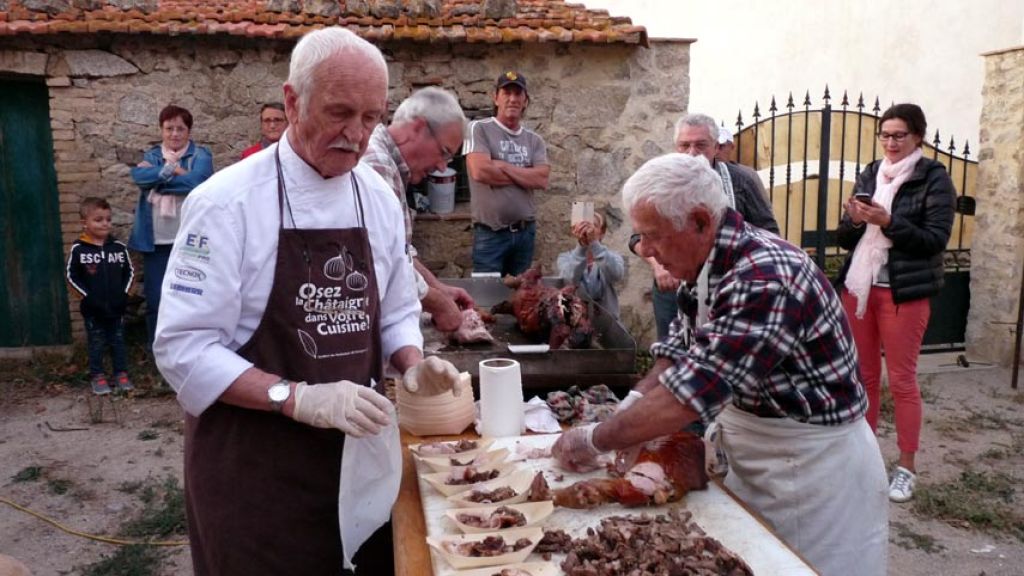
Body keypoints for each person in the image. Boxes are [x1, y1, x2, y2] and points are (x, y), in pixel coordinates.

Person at [153, 28, 462, 576]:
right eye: (339, 112)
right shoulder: (226, 204)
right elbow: (184, 348)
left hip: (355, 464)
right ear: (293, 101)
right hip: (253, 471)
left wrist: (414, 364)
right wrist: (296, 398)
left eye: (371, 118)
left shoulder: (378, 199)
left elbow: (393, 311)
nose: (357, 135)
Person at [554, 153, 888, 576]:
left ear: (698, 221)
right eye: (639, 238)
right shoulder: (704, 268)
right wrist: (634, 401)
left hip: (813, 471)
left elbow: (690, 396)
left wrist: (596, 438)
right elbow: (677, 355)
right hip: (756, 452)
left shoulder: (766, 278)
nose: (647, 252)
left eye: (651, 236)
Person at [836, 103, 955, 504]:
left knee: (901, 381)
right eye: (885, 135)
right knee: (864, 378)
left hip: (904, 292)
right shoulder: (871, 172)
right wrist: (854, 219)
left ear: (918, 136)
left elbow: (934, 239)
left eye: (899, 135)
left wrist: (888, 222)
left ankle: (906, 468)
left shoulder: (934, 178)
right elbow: (845, 238)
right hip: (860, 288)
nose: (890, 142)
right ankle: (865, 461)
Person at [631, 112, 779, 341]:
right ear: (675, 146)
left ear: (715, 147)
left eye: (700, 145)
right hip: (674, 279)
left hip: (730, 283)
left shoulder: (742, 180)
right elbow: (638, 239)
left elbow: (769, 233)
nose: (692, 152)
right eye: (684, 145)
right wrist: (657, 267)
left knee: (721, 350)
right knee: (672, 349)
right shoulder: (661, 182)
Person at [361, 86, 475, 332]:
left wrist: (438, 287)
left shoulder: (391, 165)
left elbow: (401, 251)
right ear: (418, 128)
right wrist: (440, 305)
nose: (443, 167)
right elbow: (383, 262)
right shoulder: (377, 165)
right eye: (444, 152)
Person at [129, 104, 213, 348]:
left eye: (180, 129)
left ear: (188, 131)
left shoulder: (202, 155)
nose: (174, 134)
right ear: (161, 130)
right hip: (156, 242)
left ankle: (192, 349)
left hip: (190, 241)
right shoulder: (152, 155)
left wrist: (157, 180)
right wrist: (172, 169)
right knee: (156, 301)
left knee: (193, 297)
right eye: (169, 129)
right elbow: (138, 177)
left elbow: (197, 182)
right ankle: (159, 352)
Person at [465, 70, 550, 277]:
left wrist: (503, 165)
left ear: (525, 101)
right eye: (507, 93)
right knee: (487, 301)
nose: (512, 99)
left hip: (525, 234)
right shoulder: (478, 129)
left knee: (523, 300)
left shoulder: (534, 140)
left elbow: (542, 179)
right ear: (496, 97)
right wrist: (525, 175)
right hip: (490, 234)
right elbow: (480, 172)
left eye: (518, 94)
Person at [65, 197, 135, 395]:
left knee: (118, 341)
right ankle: (98, 376)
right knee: (96, 343)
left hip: (117, 308)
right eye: (98, 220)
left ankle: (121, 374)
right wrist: (88, 298)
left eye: (108, 219)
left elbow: (130, 272)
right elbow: (71, 276)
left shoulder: (119, 249)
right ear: (84, 223)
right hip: (93, 310)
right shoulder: (79, 249)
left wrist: (124, 295)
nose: (105, 223)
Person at [556, 211, 626, 317]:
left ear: (602, 233)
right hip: (576, 320)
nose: (589, 230)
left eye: (594, 226)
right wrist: (581, 247)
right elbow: (569, 281)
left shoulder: (613, 257)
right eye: (584, 225)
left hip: (606, 320)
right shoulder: (565, 258)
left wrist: (594, 244)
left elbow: (615, 274)